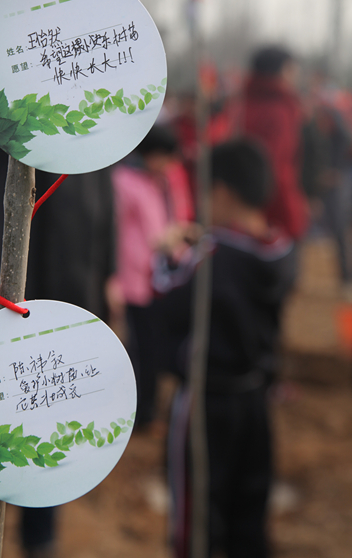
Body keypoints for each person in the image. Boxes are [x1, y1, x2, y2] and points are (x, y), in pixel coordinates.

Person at [0, 98, 116, 558]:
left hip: (68, 282)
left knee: (54, 411)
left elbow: (103, 199)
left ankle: (40, 538)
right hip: (1, 279)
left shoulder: (92, 102)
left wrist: (108, 275)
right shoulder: (1, 94)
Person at [154, 139, 296, 558]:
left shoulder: (214, 256)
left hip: (207, 400)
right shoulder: (280, 252)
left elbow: (168, 299)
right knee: (248, 508)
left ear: (221, 191)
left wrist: (166, 255)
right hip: (254, 396)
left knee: (196, 514)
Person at [112, 125, 193, 426]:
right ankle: (140, 412)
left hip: (155, 278)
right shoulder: (124, 182)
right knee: (140, 349)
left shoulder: (154, 181)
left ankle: (147, 408)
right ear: (153, 154)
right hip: (134, 279)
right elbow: (119, 234)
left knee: (151, 346)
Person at [232, 46, 308, 240]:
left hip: (239, 206)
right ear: (279, 71)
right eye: (291, 69)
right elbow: (275, 165)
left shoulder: (239, 103)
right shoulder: (280, 109)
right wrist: (291, 215)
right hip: (273, 211)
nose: (295, 75)